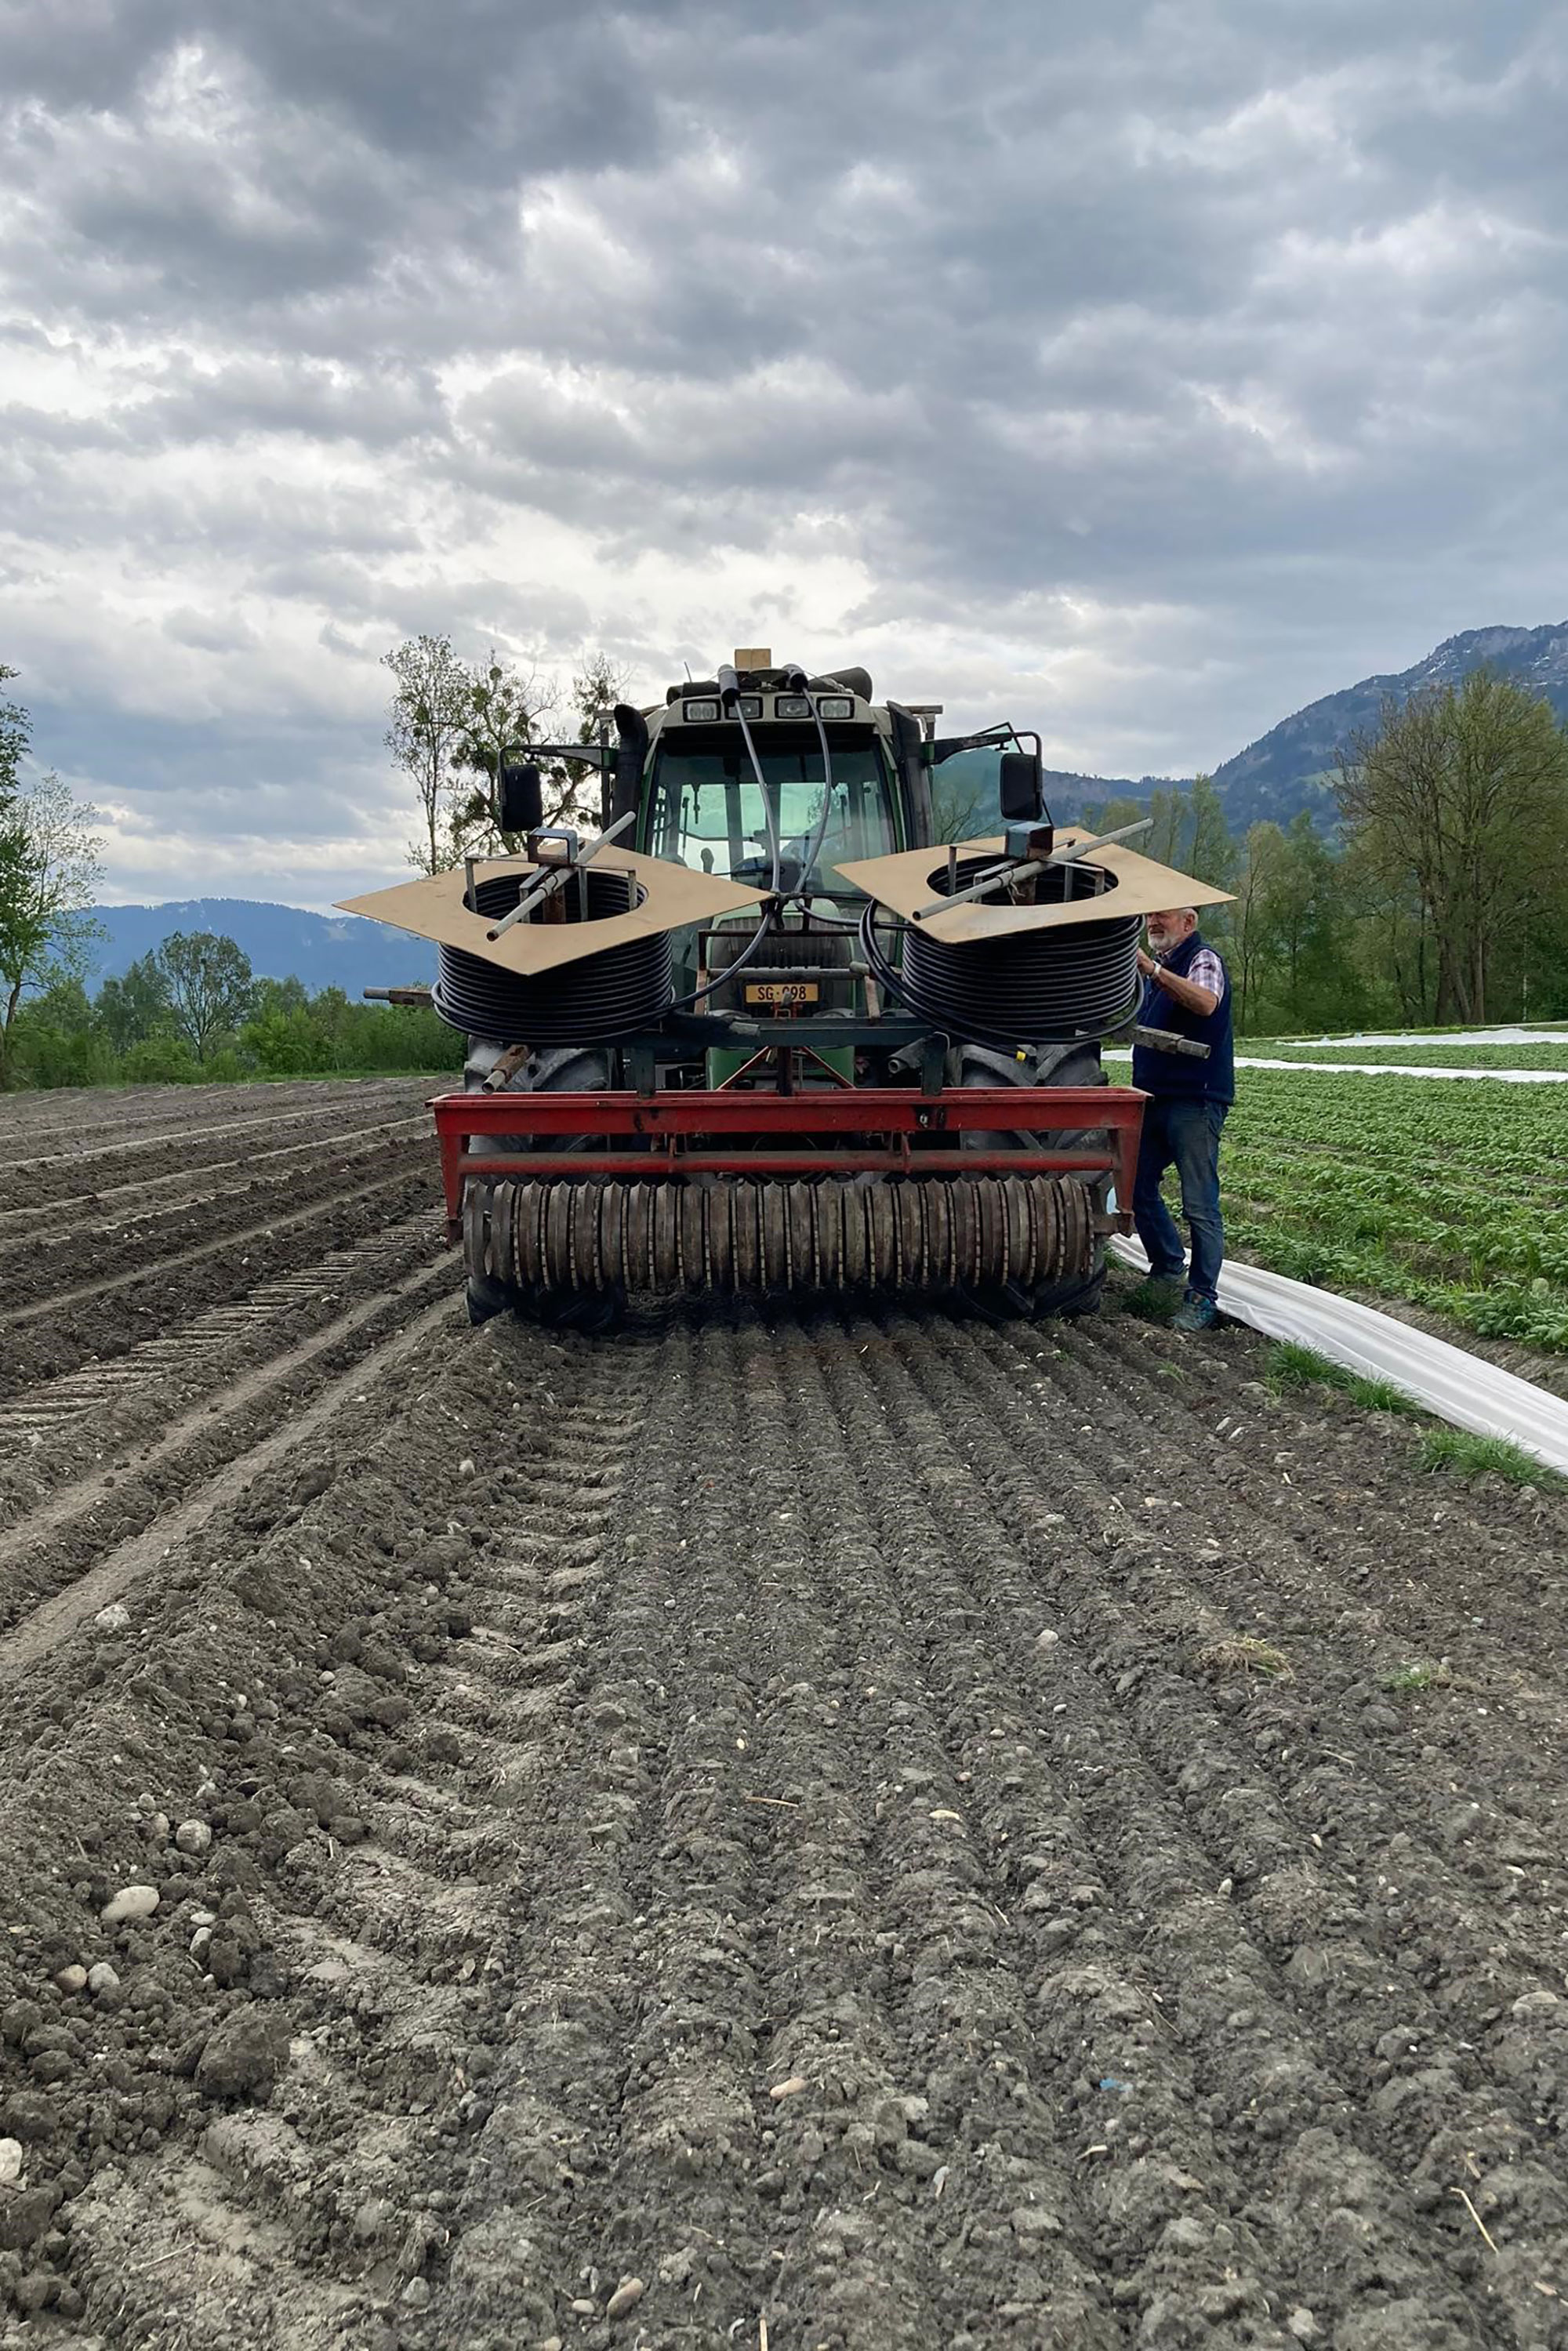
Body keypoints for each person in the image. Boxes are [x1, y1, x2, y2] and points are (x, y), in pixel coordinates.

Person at [1130, 907, 1234, 1331]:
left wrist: (1153, 971)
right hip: (1155, 1098)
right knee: (1136, 1185)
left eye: (1163, 918)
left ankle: (1202, 1296)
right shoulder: (1164, 968)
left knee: (1200, 1203)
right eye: (1150, 918)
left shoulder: (1201, 959)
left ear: (1188, 923)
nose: (1154, 924)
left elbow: (1206, 1003)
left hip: (1195, 1100)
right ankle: (1168, 1263)